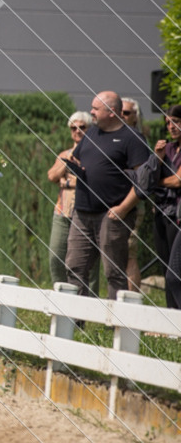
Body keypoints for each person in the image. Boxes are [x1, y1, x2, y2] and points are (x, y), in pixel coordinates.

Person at [64, 91, 151, 301]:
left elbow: (144, 181)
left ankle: (116, 326)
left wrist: (123, 209)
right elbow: (80, 162)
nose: (91, 112)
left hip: (112, 214)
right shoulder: (92, 134)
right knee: (74, 267)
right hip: (82, 213)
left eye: (96, 109)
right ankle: (76, 322)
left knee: (113, 271)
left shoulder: (132, 139)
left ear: (112, 112)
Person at [46, 111, 100, 290]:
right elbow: (52, 175)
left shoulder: (95, 153)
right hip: (63, 211)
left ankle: (89, 302)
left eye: (82, 128)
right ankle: (61, 292)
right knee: (56, 255)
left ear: (89, 129)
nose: (77, 132)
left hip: (87, 212)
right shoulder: (65, 154)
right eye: (73, 128)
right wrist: (67, 160)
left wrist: (67, 180)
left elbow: (92, 180)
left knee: (88, 263)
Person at [153, 105, 181, 308]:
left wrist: (158, 183)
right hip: (161, 210)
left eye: (176, 122)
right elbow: (150, 174)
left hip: (177, 213)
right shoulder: (168, 148)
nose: (171, 127)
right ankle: (170, 314)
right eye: (168, 123)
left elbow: (177, 181)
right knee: (166, 267)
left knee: (175, 269)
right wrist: (157, 156)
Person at [121, 97, 148, 291]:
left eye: (126, 113)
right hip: (112, 204)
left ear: (135, 117)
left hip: (130, 205)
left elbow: (142, 177)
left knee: (129, 255)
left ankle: (132, 304)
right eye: (119, 112)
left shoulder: (137, 139)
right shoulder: (114, 137)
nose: (121, 116)